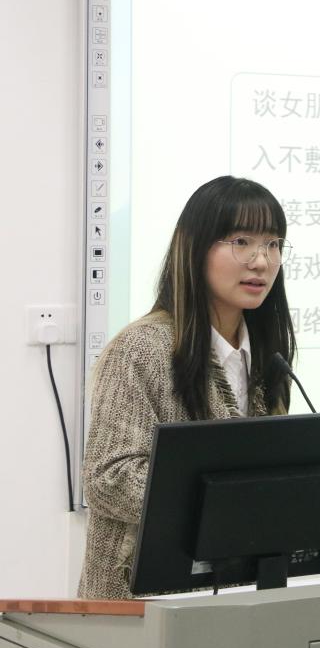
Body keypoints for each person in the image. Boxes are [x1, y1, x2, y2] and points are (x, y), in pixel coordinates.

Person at [77, 176, 296, 600]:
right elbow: (109, 479)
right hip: (138, 601)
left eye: (273, 244)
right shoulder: (141, 348)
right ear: (195, 248)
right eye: (241, 242)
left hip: (237, 597)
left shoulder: (269, 356)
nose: (261, 261)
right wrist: (222, 500)